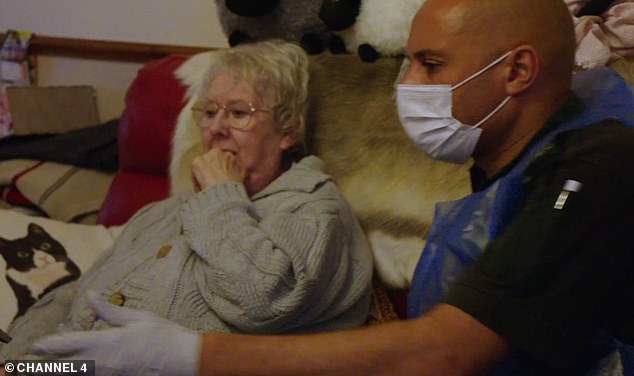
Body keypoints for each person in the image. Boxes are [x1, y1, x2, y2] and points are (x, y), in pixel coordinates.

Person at [18, 0, 634, 374]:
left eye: (430, 64)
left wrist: (184, 359)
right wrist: (24, 363)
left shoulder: (597, 165)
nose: (406, 85)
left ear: (518, 71)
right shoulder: (503, 165)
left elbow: (441, 355)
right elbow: (74, 317)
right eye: (209, 112)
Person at [0, 39, 373, 372]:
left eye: (239, 113)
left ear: (288, 129)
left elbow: (263, 299)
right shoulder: (165, 211)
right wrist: (16, 365)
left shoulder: (314, 210)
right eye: (210, 113)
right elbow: (77, 293)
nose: (217, 128)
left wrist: (219, 196)